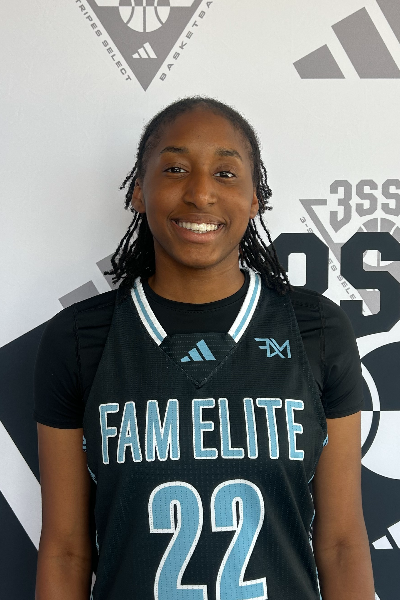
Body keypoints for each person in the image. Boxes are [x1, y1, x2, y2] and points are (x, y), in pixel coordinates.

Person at [34, 97, 375, 600]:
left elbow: (342, 544)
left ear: (256, 197)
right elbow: (66, 550)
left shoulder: (316, 330)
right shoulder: (81, 338)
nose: (200, 193)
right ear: (139, 191)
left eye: (225, 173)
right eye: (175, 169)